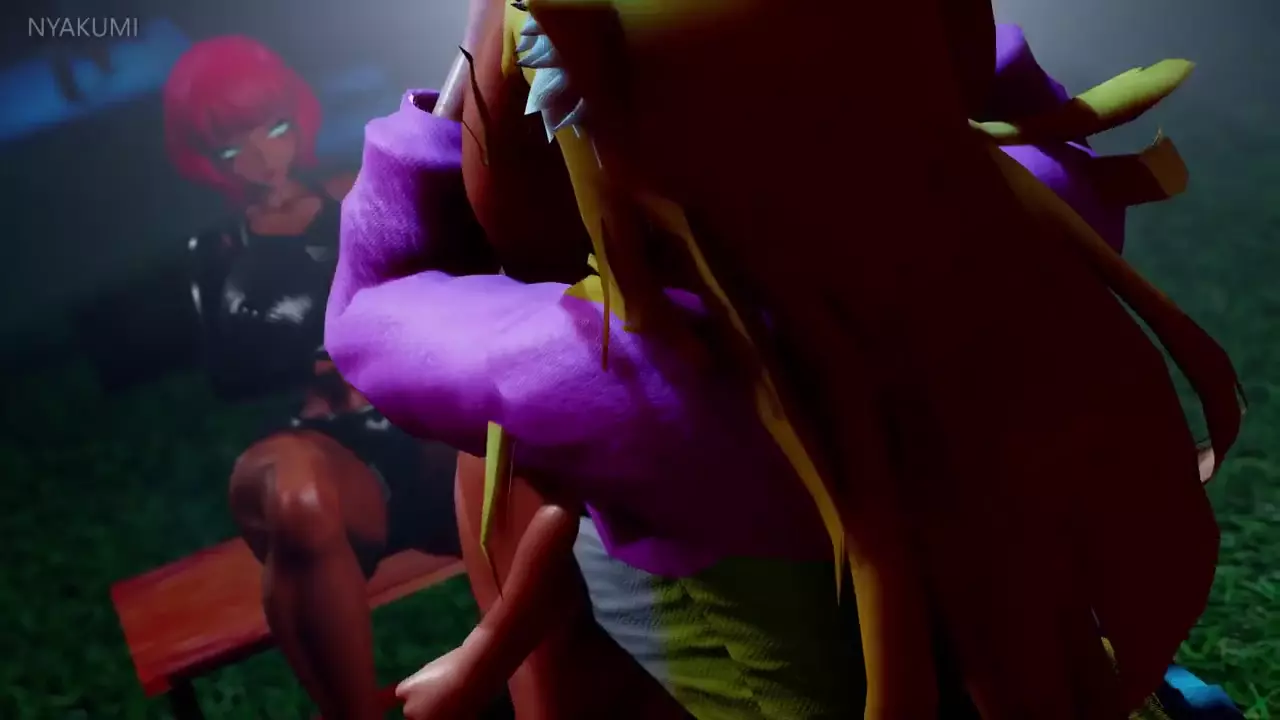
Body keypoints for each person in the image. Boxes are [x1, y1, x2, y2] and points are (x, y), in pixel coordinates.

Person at [328, 2, 1247, 718]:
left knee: (524, 484)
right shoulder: (1035, 217)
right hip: (1023, 656)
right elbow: (991, 83)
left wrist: (470, 68)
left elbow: (379, 302)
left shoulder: (620, 371)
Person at [161, 36, 485, 720]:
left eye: (273, 128)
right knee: (297, 498)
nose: (262, 155)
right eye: (234, 146)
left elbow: (433, 279)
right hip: (325, 443)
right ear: (206, 156)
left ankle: (544, 667)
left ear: (297, 119)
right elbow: (224, 372)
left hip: (410, 418)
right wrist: (306, 356)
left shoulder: (355, 191)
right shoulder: (216, 249)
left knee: (505, 445)